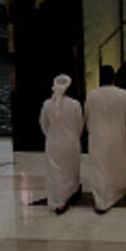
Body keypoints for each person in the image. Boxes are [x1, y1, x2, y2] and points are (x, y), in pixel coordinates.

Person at [84, 65, 126, 213]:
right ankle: (123, 189)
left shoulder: (91, 95)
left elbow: (87, 118)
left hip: (98, 139)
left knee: (100, 171)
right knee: (120, 168)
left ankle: (102, 200)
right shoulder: (123, 95)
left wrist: (91, 132)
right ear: (114, 78)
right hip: (118, 138)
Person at [39, 74, 83, 214]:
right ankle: (68, 195)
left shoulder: (47, 104)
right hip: (71, 143)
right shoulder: (75, 105)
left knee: (55, 174)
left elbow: (43, 124)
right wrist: (73, 137)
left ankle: (58, 200)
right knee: (70, 171)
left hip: (53, 144)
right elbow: (80, 125)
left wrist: (51, 136)